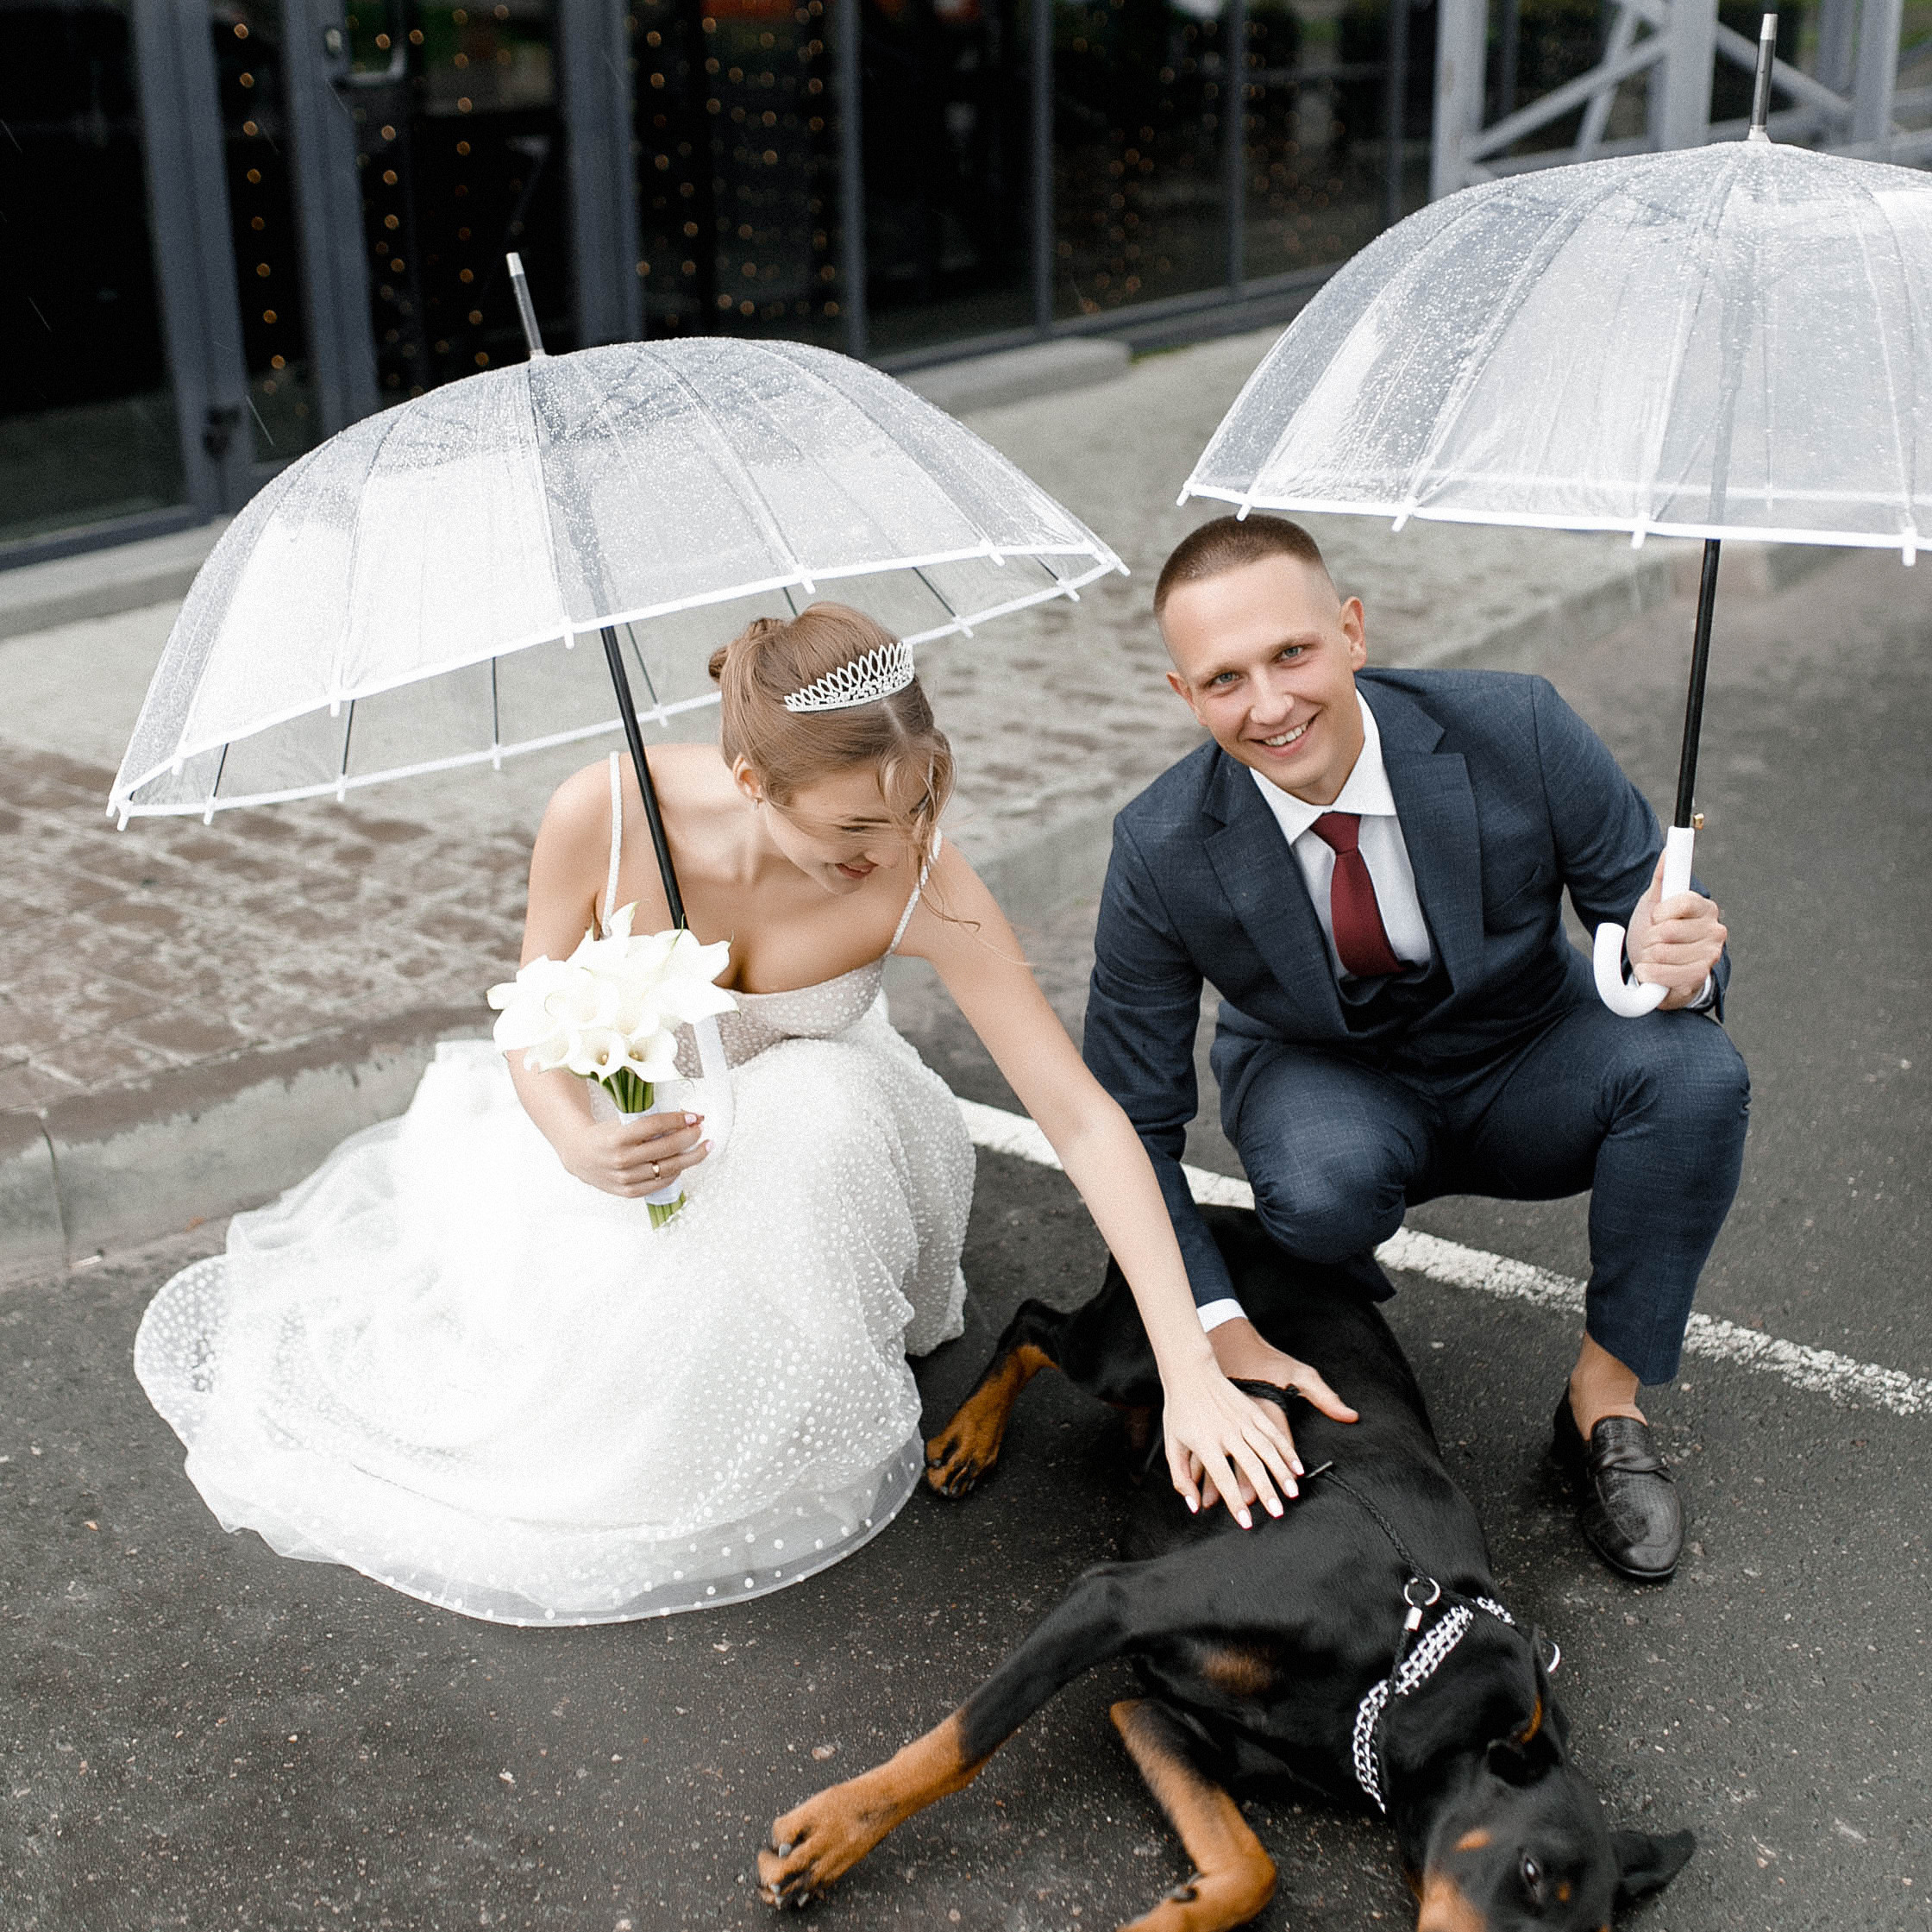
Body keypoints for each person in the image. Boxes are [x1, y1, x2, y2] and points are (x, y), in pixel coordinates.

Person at [135, 603, 1349, 1627]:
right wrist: (578, 1140)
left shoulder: (920, 865)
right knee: (575, 1393)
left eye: (918, 805)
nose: (899, 849)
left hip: (832, 1132)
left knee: (813, 1108)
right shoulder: (599, 816)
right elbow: (528, 1016)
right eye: (855, 828)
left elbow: (1082, 1120)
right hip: (641, 1137)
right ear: (754, 781)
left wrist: (1190, 1366)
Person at [1082, 514, 1748, 1585]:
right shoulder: (1159, 847)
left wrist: (1681, 961)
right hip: (1323, 1076)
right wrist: (1210, 1325)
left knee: (1696, 1075)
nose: (1267, 705)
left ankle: (1600, 1404)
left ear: (1349, 629)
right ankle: (1329, 1311)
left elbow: (1649, 904)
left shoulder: (1515, 724)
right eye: (1222, 680)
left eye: (1290, 654)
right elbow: (1124, 1115)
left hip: (1527, 1045)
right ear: (1181, 695)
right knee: (1323, 1186)